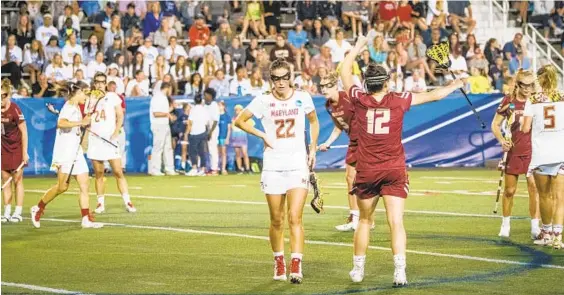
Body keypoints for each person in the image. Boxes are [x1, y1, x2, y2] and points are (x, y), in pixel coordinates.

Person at [340, 35, 464, 286]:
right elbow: (435, 96)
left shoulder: (359, 99)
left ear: (366, 84)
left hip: (368, 170)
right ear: (386, 83)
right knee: (396, 222)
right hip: (394, 168)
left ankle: (358, 270)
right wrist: (456, 84)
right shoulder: (399, 100)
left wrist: (358, 48)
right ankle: (400, 272)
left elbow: (344, 69)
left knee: (364, 220)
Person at [234, 59, 319, 284]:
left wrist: (312, 149)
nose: (281, 82)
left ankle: (296, 264)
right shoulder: (263, 100)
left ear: (290, 77)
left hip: (297, 164)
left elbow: (314, 121)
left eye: (284, 77)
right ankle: (279, 260)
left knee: (295, 217)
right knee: (276, 219)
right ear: (270, 79)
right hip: (273, 166)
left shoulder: (303, 97)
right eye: (276, 78)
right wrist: (262, 135)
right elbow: (239, 121)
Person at [30, 82, 103, 229]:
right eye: (85, 93)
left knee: (84, 184)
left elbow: (75, 126)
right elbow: (61, 123)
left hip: (76, 152)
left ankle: (85, 219)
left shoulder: (75, 107)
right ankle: (38, 208)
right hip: (65, 152)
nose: (86, 96)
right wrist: (80, 122)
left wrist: (82, 124)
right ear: (78, 92)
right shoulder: (69, 107)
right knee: (62, 187)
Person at [491, 69, 540, 239]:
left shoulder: (536, 101)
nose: (527, 89)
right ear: (518, 85)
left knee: (534, 189)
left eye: (530, 85)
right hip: (513, 151)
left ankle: (535, 226)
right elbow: (495, 124)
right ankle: (505, 224)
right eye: (524, 85)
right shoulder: (509, 101)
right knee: (510, 190)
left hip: (533, 152)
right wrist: (502, 140)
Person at [521, 65, 564, 248]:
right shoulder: (562, 96)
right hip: (561, 152)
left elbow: (525, 128)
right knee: (560, 197)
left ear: (540, 79)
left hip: (541, 154)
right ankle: (558, 237)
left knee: (545, 196)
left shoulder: (533, 99)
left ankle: (546, 233)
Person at [317, 71, 362, 232]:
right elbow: (338, 126)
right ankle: (355, 217)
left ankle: (363, 219)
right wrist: (327, 143)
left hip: (365, 141)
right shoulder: (329, 105)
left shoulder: (349, 97)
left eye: (326, 86)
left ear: (335, 85)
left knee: (362, 180)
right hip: (354, 142)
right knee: (350, 179)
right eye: (321, 86)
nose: (323, 89)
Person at [87, 73, 136, 214]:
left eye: (102, 82)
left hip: (110, 140)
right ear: (94, 83)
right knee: (99, 173)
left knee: (118, 171)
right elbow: (86, 117)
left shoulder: (113, 97)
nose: (100, 84)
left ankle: (128, 201)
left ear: (106, 83)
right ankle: (100, 203)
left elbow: (120, 115)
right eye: (97, 82)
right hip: (95, 140)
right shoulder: (90, 98)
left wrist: (116, 132)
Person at [1, 80, 28, 223]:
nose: (1, 99)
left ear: (8, 95)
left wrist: (25, 153)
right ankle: (6, 212)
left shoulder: (15, 109)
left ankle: (18, 212)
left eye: (3, 96)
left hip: (16, 148)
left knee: (17, 180)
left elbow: (24, 132)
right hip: (3, 149)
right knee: (5, 180)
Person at [149, 82, 177, 176]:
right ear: (168, 88)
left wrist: (171, 108)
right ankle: (155, 169)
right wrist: (168, 115)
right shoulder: (157, 97)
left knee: (168, 147)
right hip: (158, 125)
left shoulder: (164, 97)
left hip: (165, 125)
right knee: (158, 147)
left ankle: (169, 168)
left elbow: (164, 112)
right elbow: (156, 114)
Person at [184, 94, 209, 177]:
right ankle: (202, 169)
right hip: (203, 132)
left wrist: (187, 133)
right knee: (202, 152)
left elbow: (190, 122)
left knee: (193, 152)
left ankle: (194, 168)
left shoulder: (193, 110)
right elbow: (207, 122)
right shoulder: (204, 109)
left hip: (194, 133)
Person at [204, 88, 220, 175]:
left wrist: (210, 132)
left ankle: (215, 168)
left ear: (210, 96)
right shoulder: (204, 105)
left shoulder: (214, 105)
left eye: (206, 95)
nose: (205, 97)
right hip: (205, 129)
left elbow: (215, 120)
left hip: (213, 130)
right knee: (206, 150)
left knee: (212, 149)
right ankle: (208, 167)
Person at [218, 101, 232, 175]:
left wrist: (227, 138)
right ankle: (217, 168)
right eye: (218, 105)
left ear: (224, 107)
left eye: (220, 105)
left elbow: (229, 128)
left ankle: (223, 169)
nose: (219, 107)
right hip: (216, 137)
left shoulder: (227, 116)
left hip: (223, 137)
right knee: (217, 153)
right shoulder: (216, 115)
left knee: (223, 153)